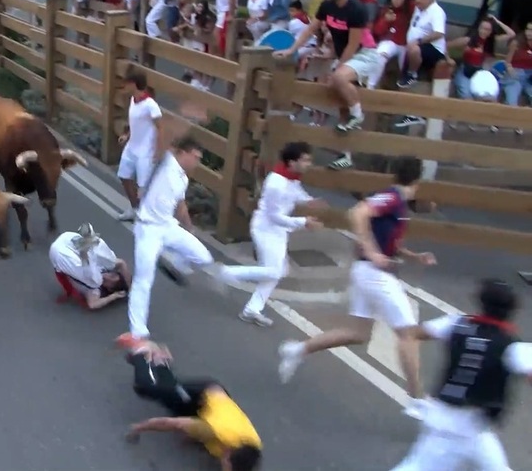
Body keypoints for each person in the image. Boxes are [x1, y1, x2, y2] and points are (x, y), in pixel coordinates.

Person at [277, 157, 435, 419]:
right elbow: (357, 213)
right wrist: (372, 251)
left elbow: (387, 241)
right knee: (409, 334)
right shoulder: (393, 198)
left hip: (367, 272)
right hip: (375, 275)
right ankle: (417, 400)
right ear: (419, 180)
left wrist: (413, 256)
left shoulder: (396, 202)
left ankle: (298, 349)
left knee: (357, 334)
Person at [391, 278, 532, 470]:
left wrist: (415, 385)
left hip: (469, 425)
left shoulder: (455, 324)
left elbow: (411, 334)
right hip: (455, 429)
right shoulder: (513, 346)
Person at [274, 0, 382, 171]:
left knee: (339, 79)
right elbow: (310, 30)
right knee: (343, 105)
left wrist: (340, 68)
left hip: (364, 54)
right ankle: (346, 154)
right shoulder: (327, 6)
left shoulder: (357, 9)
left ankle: (359, 114)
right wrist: (291, 50)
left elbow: (353, 44)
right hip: (346, 57)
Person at [213, 142, 325, 327]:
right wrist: (303, 222)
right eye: (305, 160)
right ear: (291, 162)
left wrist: (309, 201)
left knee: (280, 270)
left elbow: (296, 193)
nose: (308, 164)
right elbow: (274, 216)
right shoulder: (275, 183)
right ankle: (225, 272)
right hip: (265, 229)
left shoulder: (292, 177)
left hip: (278, 231)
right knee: (274, 271)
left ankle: (252, 309)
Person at [124, 136, 219, 341]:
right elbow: (160, 138)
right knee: (143, 280)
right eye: (195, 157)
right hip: (148, 229)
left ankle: (174, 261)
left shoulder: (183, 178)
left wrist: (190, 229)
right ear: (182, 153)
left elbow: (180, 205)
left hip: (168, 226)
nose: (197, 162)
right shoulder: (164, 162)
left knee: (204, 257)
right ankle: (137, 331)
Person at [120, 338, 263, 471]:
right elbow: (169, 423)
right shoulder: (211, 431)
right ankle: (141, 351)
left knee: (172, 400)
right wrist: (139, 428)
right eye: (227, 466)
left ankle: (161, 362)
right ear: (228, 453)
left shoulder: (252, 449)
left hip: (216, 406)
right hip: (203, 393)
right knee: (146, 388)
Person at [49, 222, 131, 310]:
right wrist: (130, 290)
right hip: (66, 240)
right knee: (110, 261)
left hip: (60, 256)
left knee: (94, 280)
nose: (109, 277)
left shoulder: (96, 290)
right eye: (112, 275)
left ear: (110, 289)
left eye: (111, 281)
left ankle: (85, 250)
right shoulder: (106, 266)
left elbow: (92, 304)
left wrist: (114, 296)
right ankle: (89, 242)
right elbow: (122, 263)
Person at [116, 68, 162, 222]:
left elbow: (161, 128)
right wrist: (126, 135)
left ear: (134, 84)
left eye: (127, 83)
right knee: (124, 176)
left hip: (145, 152)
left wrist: (158, 150)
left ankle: (148, 216)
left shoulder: (151, 105)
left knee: (144, 187)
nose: (125, 86)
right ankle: (134, 208)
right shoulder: (132, 100)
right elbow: (134, 121)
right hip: (131, 147)